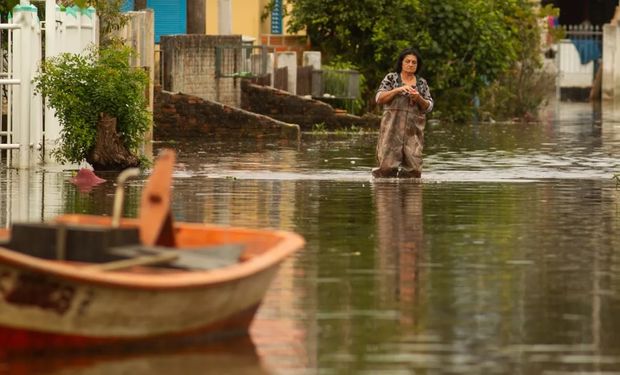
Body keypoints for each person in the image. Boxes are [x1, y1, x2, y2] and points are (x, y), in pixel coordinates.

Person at [373, 47, 433, 178]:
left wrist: (419, 98)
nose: (410, 64)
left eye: (414, 62)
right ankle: (386, 195)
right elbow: (379, 98)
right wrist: (398, 90)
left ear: (417, 65)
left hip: (414, 133)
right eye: (407, 61)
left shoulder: (422, 83)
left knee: (414, 171)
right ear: (401, 63)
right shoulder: (391, 78)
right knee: (385, 169)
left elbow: (429, 106)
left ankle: (409, 194)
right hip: (391, 132)